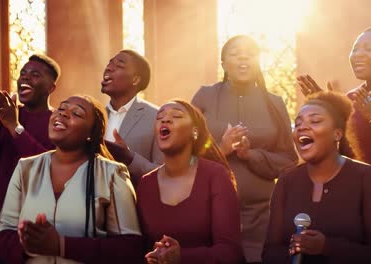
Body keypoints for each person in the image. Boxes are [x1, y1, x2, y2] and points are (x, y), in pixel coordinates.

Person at [0, 95, 142, 264]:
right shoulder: (25, 168)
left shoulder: (112, 174)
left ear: (91, 134)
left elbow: (131, 249)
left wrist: (61, 245)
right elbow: (2, 236)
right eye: (61, 108)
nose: (62, 114)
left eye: (77, 113)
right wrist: (29, 244)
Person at [191, 35, 298, 263]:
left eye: (250, 53)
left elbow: (289, 160)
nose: (243, 56)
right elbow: (183, 153)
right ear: (223, 64)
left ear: (259, 61)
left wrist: (252, 155)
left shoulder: (274, 102)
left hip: (261, 217)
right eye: (235, 53)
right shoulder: (205, 96)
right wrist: (222, 149)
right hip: (210, 213)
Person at [263, 91, 371, 264]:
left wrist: (326, 247)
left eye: (315, 121)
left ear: (337, 134)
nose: (302, 127)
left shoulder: (369, 179)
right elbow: (269, 252)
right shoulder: (286, 181)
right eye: (298, 124)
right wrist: (294, 253)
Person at [137, 99, 243, 264]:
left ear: (194, 131)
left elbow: (231, 252)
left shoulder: (216, 176)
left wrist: (181, 257)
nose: (165, 119)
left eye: (176, 116)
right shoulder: (145, 184)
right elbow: (141, 249)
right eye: (160, 117)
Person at [0, 54, 60, 238]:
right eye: (22, 73)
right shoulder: (7, 114)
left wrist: (14, 126)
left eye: (35, 74)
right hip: (2, 224)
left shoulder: (59, 120)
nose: (25, 77)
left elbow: (47, 170)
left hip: (39, 225)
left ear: (51, 88)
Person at [298, 26, 371, 173]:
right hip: (357, 190)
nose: (358, 54)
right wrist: (327, 109)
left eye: (369, 49)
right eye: (355, 49)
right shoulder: (350, 99)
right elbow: (343, 152)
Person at [101, 49, 164, 187]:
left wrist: (129, 157)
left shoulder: (157, 117)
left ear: (135, 79)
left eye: (119, 65)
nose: (109, 68)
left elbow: (164, 174)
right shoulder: (95, 117)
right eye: (110, 63)